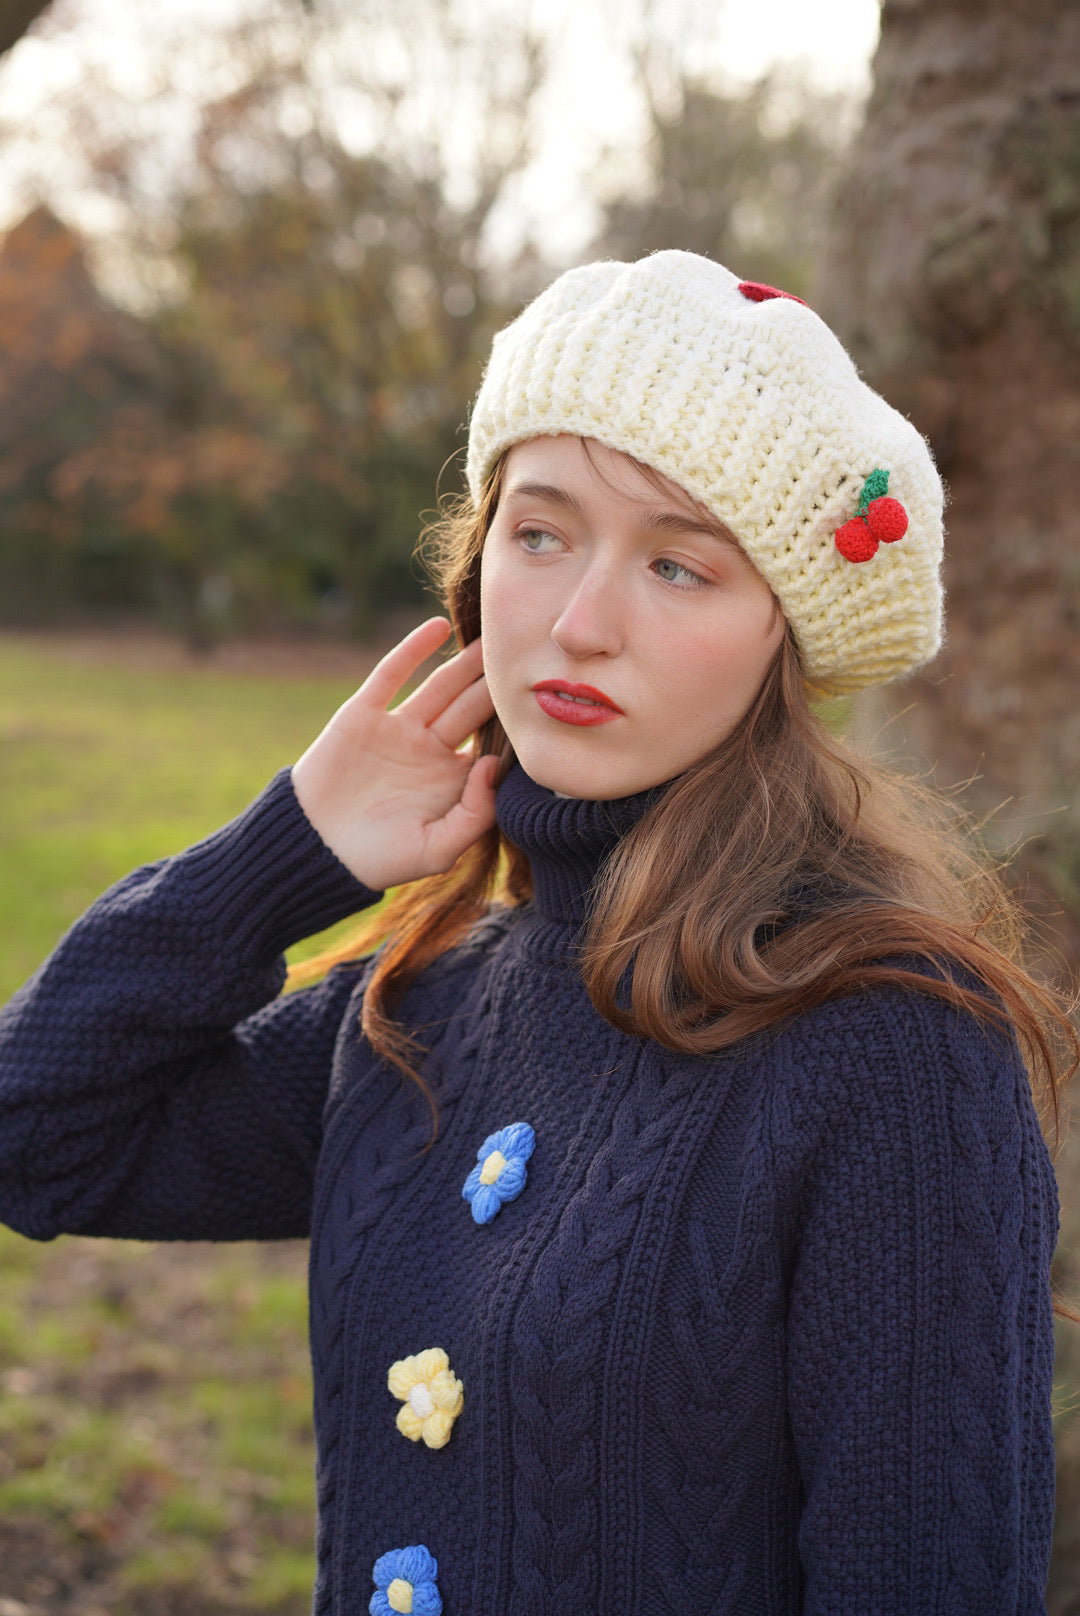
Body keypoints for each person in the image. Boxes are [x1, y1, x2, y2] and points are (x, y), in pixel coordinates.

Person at [0, 251, 1074, 1616]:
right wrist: (285, 858)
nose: (579, 621)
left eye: (680, 566)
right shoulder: (421, 1006)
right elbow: (35, 1135)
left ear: (780, 649)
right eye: (541, 531)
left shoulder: (894, 1051)